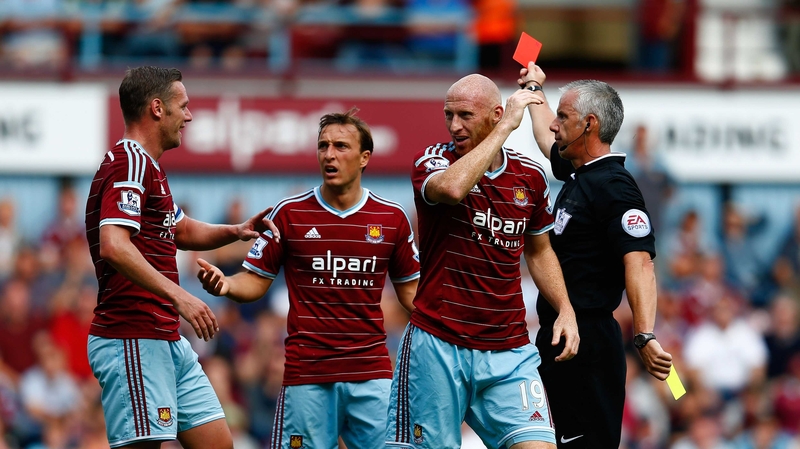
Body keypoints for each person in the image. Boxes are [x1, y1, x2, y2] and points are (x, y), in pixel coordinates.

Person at [196, 109, 420, 449]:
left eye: (341, 146)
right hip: (308, 376)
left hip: (371, 375)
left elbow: (412, 295)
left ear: (364, 158)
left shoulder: (391, 218)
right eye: (323, 146)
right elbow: (254, 281)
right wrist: (227, 284)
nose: (329, 154)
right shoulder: (287, 214)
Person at [84, 66, 277, 449]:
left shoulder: (150, 168)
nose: (189, 116)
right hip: (131, 336)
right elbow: (114, 244)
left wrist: (234, 230)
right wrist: (182, 296)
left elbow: (181, 230)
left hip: (164, 337)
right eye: (183, 106)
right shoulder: (130, 162)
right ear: (157, 108)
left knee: (220, 443)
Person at [385, 74, 579, 449]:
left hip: (509, 350)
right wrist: (507, 126)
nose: (454, 125)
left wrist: (565, 309)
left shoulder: (531, 176)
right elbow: (453, 189)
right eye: (448, 115)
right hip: (439, 344)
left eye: (465, 115)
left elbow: (539, 251)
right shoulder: (433, 161)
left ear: (492, 113)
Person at [519, 63, 673, 448]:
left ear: (589, 124)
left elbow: (639, 261)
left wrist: (645, 335)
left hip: (588, 343)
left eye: (563, 116)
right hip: (559, 336)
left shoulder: (614, 186)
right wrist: (534, 86)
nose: (554, 124)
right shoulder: (580, 175)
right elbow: (543, 138)